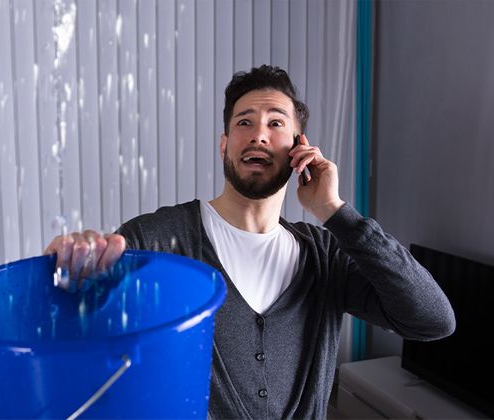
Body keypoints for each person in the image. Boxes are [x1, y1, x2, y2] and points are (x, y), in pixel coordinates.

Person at [44, 65, 455, 419]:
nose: (259, 134)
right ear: (225, 145)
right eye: (244, 122)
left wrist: (336, 212)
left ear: (300, 149)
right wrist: (67, 265)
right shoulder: (159, 237)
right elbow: (75, 322)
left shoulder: (326, 255)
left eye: (276, 123)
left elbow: (433, 320)